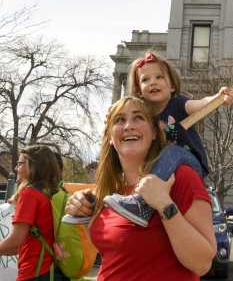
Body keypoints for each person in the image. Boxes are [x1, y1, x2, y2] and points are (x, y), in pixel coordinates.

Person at [66, 51, 233, 227]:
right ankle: (98, 208)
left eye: (159, 77)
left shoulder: (178, 103)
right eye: (145, 80)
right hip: (163, 164)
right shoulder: (145, 114)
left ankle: (141, 203)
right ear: (139, 91)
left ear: (171, 86)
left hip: (189, 159)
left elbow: (200, 104)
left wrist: (218, 98)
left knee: (170, 151)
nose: (153, 82)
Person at [66, 96, 216, 280]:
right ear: (110, 137)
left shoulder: (179, 177)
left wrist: (164, 204)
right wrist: (83, 208)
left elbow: (202, 264)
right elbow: (117, 254)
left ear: (154, 132)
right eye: (119, 120)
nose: (128, 125)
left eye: (138, 117)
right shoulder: (110, 190)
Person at [0, 145, 64, 281]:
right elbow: (22, 245)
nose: (16, 168)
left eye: (20, 163)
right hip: (52, 271)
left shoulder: (29, 194)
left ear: (34, 166)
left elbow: (16, 240)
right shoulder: (51, 193)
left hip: (34, 272)